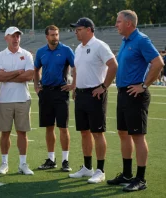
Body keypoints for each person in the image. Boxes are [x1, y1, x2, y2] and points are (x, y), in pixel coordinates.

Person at [107, 10, 164, 192]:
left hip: (136, 95)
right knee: (123, 133)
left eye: (118, 21)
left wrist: (144, 85)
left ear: (129, 23)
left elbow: (158, 63)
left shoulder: (141, 40)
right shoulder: (125, 41)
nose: (116, 24)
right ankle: (126, 174)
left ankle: (140, 178)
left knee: (137, 137)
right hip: (123, 93)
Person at [68, 17, 117, 184]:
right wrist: (75, 87)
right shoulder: (79, 49)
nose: (76, 31)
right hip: (80, 94)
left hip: (95, 94)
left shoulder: (100, 46)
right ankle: (87, 167)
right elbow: (77, 69)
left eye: (79, 28)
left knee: (97, 132)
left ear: (89, 29)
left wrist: (104, 86)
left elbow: (113, 65)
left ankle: (100, 170)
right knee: (84, 132)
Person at [34, 25, 75, 172]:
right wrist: (36, 86)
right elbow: (36, 69)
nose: (55, 37)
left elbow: (75, 66)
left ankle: (65, 160)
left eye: (57, 34)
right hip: (45, 93)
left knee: (63, 127)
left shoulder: (66, 50)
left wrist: (73, 85)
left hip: (61, 92)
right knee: (49, 127)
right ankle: (51, 159)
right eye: (52, 35)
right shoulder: (41, 52)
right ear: (47, 37)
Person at [0, 27, 34, 175]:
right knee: (5, 133)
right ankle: (4, 163)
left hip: (23, 98)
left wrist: (8, 75)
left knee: (22, 133)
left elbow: (29, 76)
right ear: (6, 38)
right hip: (4, 99)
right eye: (13, 36)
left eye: (18, 36)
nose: (16, 38)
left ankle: (23, 164)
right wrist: (18, 72)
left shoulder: (26, 54)